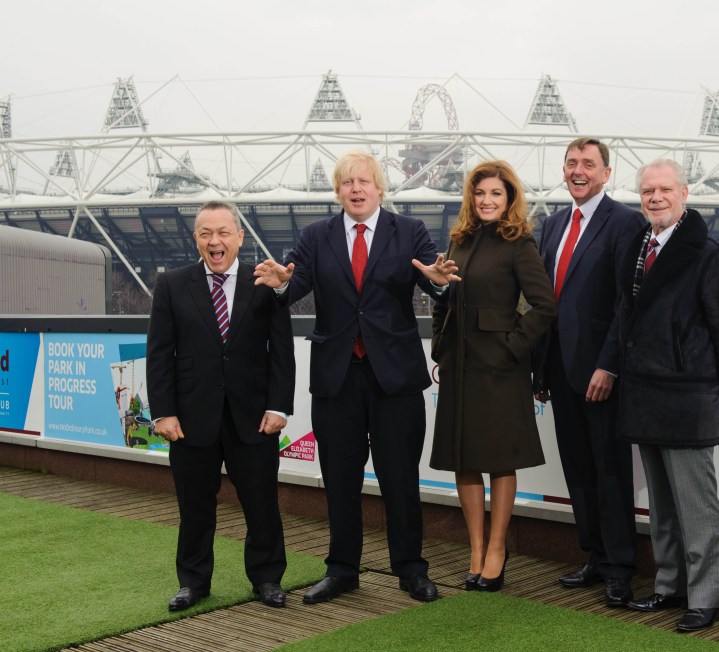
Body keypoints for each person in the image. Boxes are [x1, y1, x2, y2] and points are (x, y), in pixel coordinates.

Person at [253, 151, 459, 604]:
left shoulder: (409, 232)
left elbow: (435, 282)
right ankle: (342, 569)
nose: (356, 189)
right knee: (340, 479)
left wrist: (441, 282)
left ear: (380, 188)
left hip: (396, 380)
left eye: (364, 181)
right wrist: (281, 283)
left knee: (400, 478)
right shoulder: (315, 236)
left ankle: (410, 568)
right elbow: (293, 286)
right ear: (338, 191)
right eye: (347, 183)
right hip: (337, 378)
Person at [618, 159, 719, 631]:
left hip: (685, 397)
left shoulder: (710, 257)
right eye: (647, 191)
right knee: (660, 504)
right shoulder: (639, 248)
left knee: (697, 507)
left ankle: (705, 599)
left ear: (684, 193)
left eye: (665, 189)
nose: (655, 198)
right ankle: (669, 586)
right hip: (644, 395)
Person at [146, 200, 295, 611]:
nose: (216, 241)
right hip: (192, 420)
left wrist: (280, 406)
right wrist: (164, 411)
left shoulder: (264, 282)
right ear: (196, 238)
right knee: (194, 508)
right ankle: (193, 583)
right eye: (206, 233)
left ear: (239, 237)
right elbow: (160, 353)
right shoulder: (172, 284)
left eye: (224, 232)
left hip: (254, 418)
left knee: (262, 503)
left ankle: (267, 578)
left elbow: (282, 351)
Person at [430, 161, 556, 592]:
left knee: (500, 458)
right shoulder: (458, 240)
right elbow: (444, 297)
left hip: (500, 368)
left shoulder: (518, 241)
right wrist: (440, 346)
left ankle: (498, 551)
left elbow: (544, 306)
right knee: (463, 457)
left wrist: (512, 347)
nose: (487, 200)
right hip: (460, 365)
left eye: (496, 194)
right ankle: (476, 550)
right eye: (480, 193)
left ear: (509, 199)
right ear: (471, 197)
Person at [533, 138, 644, 608]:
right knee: (578, 467)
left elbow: (628, 300)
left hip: (601, 369)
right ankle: (595, 555)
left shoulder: (626, 222)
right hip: (558, 365)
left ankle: (620, 568)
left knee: (610, 470)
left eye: (588, 164)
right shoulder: (553, 224)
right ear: (563, 170)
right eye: (572, 163)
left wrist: (609, 364)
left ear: (606, 173)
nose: (579, 170)